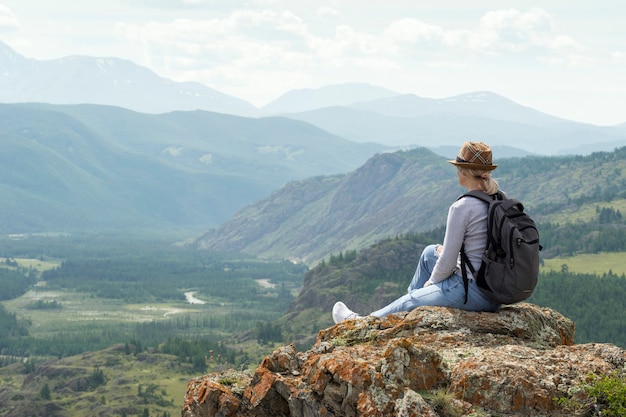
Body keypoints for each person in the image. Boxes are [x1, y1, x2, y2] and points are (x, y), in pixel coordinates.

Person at [332, 141, 502, 324]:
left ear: (464, 172)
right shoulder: (498, 200)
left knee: (414, 299)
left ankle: (360, 323)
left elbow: (448, 262)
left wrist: (430, 285)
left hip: (472, 291)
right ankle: (407, 312)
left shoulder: (462, 207)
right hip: (493, 291)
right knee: (430, 253)